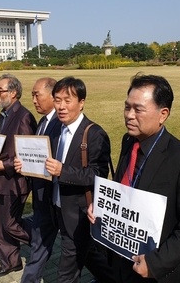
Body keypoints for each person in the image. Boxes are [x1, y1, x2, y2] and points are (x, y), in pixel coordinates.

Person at [88, 73, 180, 283]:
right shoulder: (129, 141)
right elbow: (123, 188)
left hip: (159, 271)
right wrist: (103, 207)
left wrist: (156, 263)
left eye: (138, 109)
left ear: (163, 114)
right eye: (127, 107)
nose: (129, 116)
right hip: (122, 262)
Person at [45, 76, 115, 283]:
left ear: (82, 102)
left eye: (68, 101)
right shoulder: (57, 129)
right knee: (88, 255)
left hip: (81, 213)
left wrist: (63, 171)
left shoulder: (94, 134)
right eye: (57, 100)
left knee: (66, 273)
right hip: (59, 208)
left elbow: (98, 175)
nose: (61, 106)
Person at [0, 73, 37, 278]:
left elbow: (26, 151)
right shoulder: (3, 114)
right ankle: (11, 262)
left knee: (10, 224)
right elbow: (2, 145)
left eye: (0, 90)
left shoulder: (23, 116)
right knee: (1, 224)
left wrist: (3, 164)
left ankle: (42, 242)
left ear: (13, 93)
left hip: (15, 181)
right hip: (0, 180)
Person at [15, 77, 61, 283]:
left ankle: (109, 275)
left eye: (37, 95)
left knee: (83, 249)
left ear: (53, 96)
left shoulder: (61, 124)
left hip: (58, 198)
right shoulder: (42, 122)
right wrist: (24, 164)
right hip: (42, 195)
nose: (33, 100)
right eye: (32, 95)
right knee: (39, 245)